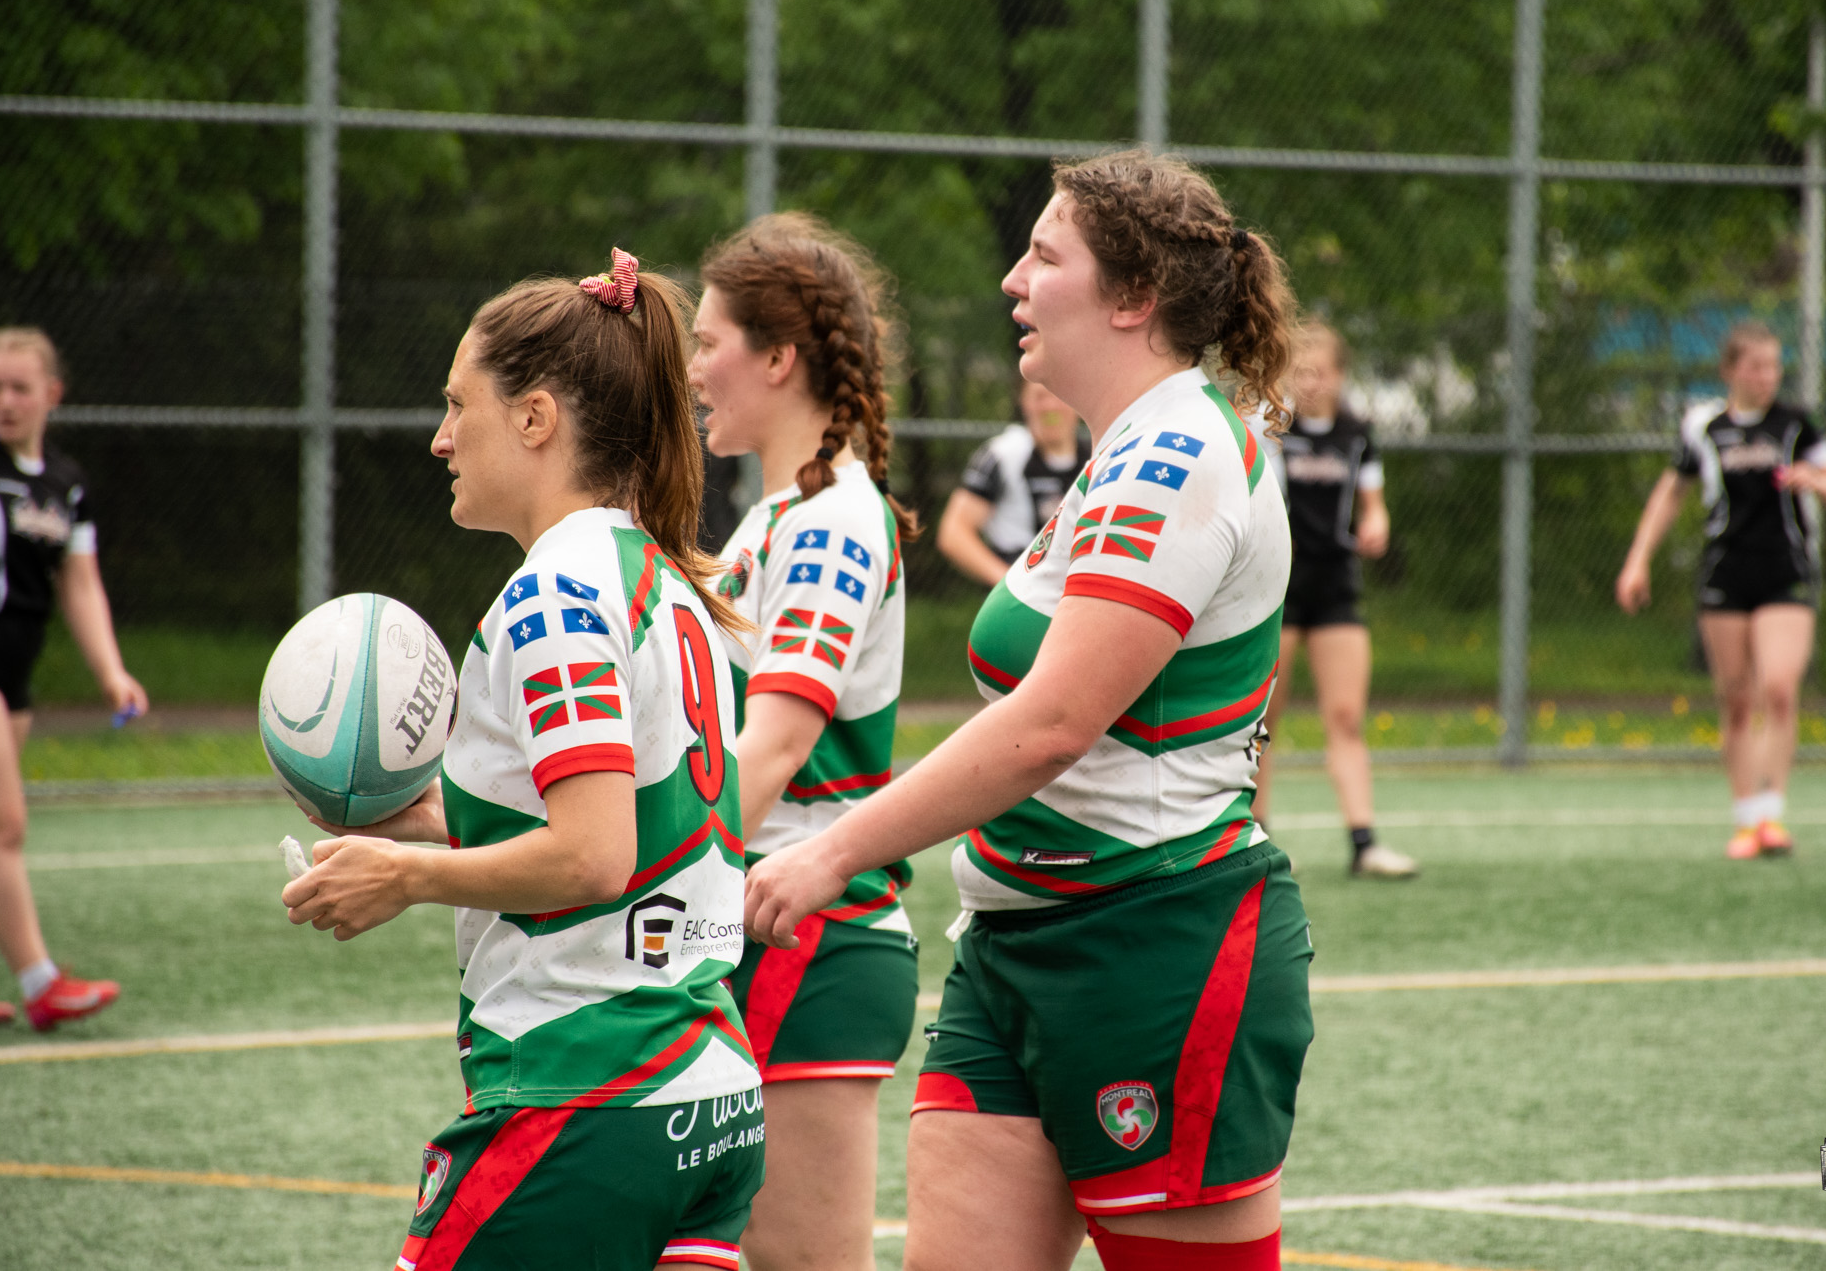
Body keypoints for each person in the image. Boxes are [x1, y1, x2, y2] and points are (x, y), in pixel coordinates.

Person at [745, 151, 1311, 1271]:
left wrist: (829, 852)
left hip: (1151, 948)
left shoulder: (1178, 450)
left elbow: (1053, 725)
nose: (1012, 278)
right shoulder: (1126, 452)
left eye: (1044, 256)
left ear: (1130, 299)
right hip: (1011, 943)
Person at [281, 251, 765, 1271]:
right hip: (708, 1092)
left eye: (461, 407)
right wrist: (431, 829)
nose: (440, 438)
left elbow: (593, 858)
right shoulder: (666, 581)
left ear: (536, 418)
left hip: (590, 1091)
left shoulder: (555, 595)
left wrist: (403, 876)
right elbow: (649, 825)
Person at [689, 213, 922, 1271]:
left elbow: (771, 753)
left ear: (776, 357)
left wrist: (633, 882)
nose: (691, 368)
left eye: (707, 343)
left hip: (808, 941)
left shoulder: (830, 519)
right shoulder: (775, 516)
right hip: (749, 927)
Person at [1616, 319, 1826, 859]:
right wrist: (1637, 562)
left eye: (1774, 366)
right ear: (1730, 371)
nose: (1768, 377)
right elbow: (1671, 493)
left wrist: (1815, 480)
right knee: (1737, 698)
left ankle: (1772, 814)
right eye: (1756, 366)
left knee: (1780, 688)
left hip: (1784, 569)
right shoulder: (1705, 426)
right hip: (1726, 573)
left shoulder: (1796, 425)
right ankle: (1745, 819)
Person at [0, 327, 136, 1031]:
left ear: (52, 393)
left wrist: (110, 671)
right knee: (2, 821)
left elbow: (81, 585)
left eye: (19, 387)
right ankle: (41, 982)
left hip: (13, 676)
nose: (5, 401)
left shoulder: (64, 484)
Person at [1251, 322, 1416, 878]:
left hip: (1336, 584)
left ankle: (1364, 844)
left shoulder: (1357, 432)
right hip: (1279, 585)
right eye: (1302, 370)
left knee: (1346, 717)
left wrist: (1377, 522)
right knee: (1260, 721)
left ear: (1342, 375)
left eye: (1323, 370)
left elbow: (1374, 502)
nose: (1312, 380)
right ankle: (1255, 837)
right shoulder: (1275, 425)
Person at [937, 377, 1089, 586]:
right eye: (1039, 397)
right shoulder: (1002, 454)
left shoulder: (1099, 456)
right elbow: (954, 532)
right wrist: (1009, 586)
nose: (1050, 406)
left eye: (1058, 395)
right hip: (1020, 596)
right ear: (1023, 403)